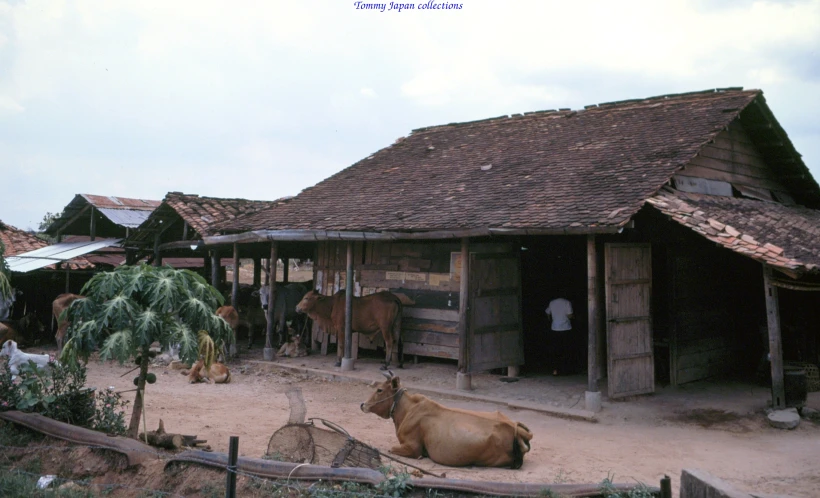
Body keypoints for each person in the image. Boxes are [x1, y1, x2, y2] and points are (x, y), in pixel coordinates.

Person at [546, 293, 574, 376]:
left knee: (555, 350)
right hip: (566, 328)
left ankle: (555, 370)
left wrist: (551, 320)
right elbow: (569, 315)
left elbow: (548, 313)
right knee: (566, 350)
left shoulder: (552, 302)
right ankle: (565, 370)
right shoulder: (567, 302)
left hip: (555, 328)